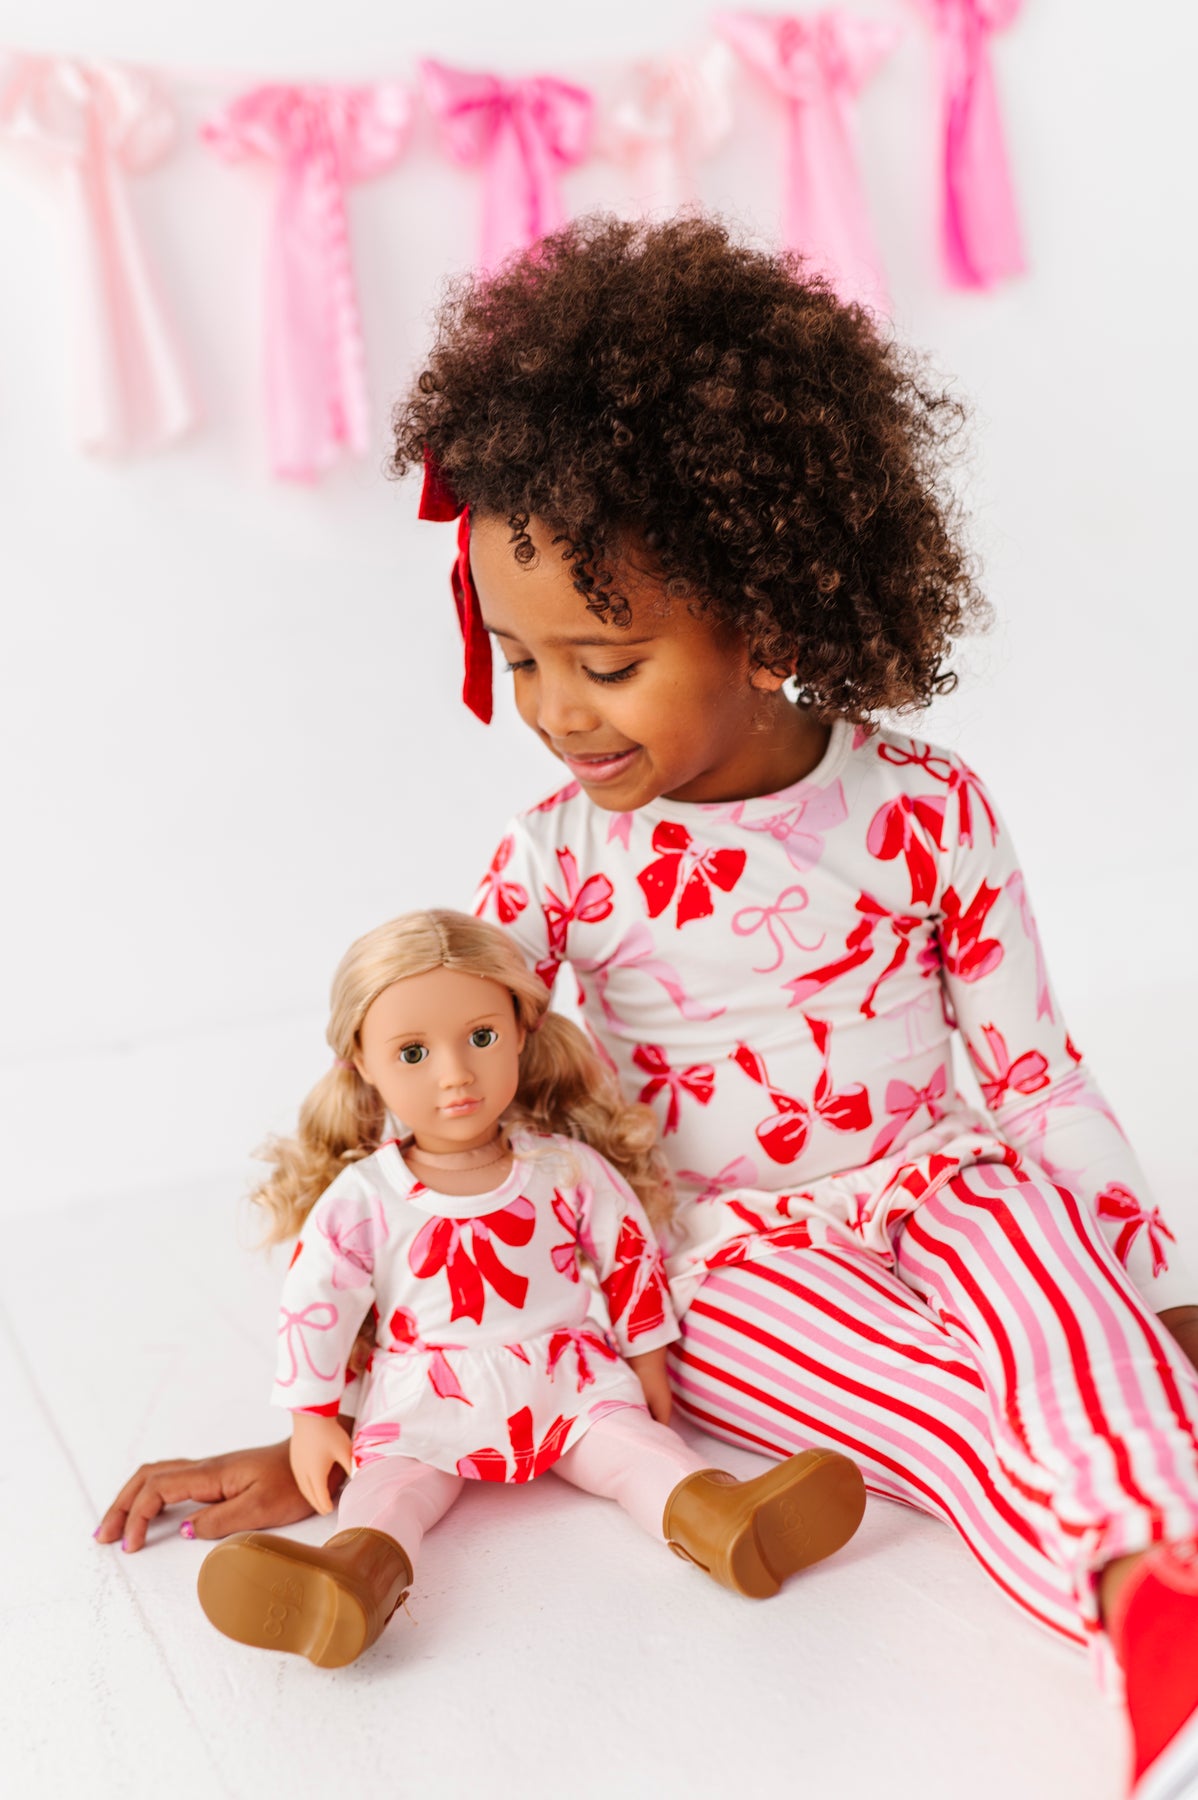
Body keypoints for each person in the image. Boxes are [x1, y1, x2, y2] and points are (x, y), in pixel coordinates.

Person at [99, 217, 1198, 1795]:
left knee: (1062, 1328)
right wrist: (336, 1420)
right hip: (716, 1260)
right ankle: (1141, 1621)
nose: (553, 711)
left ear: (768, 619)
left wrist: (1136, 1291)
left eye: (602, 662)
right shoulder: (550, 865)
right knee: (938, 1411)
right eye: (518, 659)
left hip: (942, 1177)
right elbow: (456, 1138)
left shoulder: (925, 810)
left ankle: (1163, 1547)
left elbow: (1032, 1077)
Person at [192, 908, 866, 1666]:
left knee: (636, 1452)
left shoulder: (563, 1169)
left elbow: (627, 1254)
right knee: (389, 1490)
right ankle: (353, 1578)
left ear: (520, 1029)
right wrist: (312, 1417)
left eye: (480, 1037)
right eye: (413, 1052)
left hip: (569, 1379)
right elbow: (316, 1304)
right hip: (425, 1397)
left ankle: (724, 1520)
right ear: (362, 1061)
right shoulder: (365, 1197)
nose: (454, 1073)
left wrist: (647, 1357)